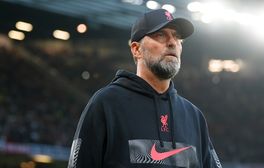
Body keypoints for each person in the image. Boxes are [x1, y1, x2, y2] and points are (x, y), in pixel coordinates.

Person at [68, 9, 222, 168]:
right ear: (136, 49)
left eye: (176, 36)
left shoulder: (194, 116)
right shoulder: (107, 103)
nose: (172, 42)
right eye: (161, 35)